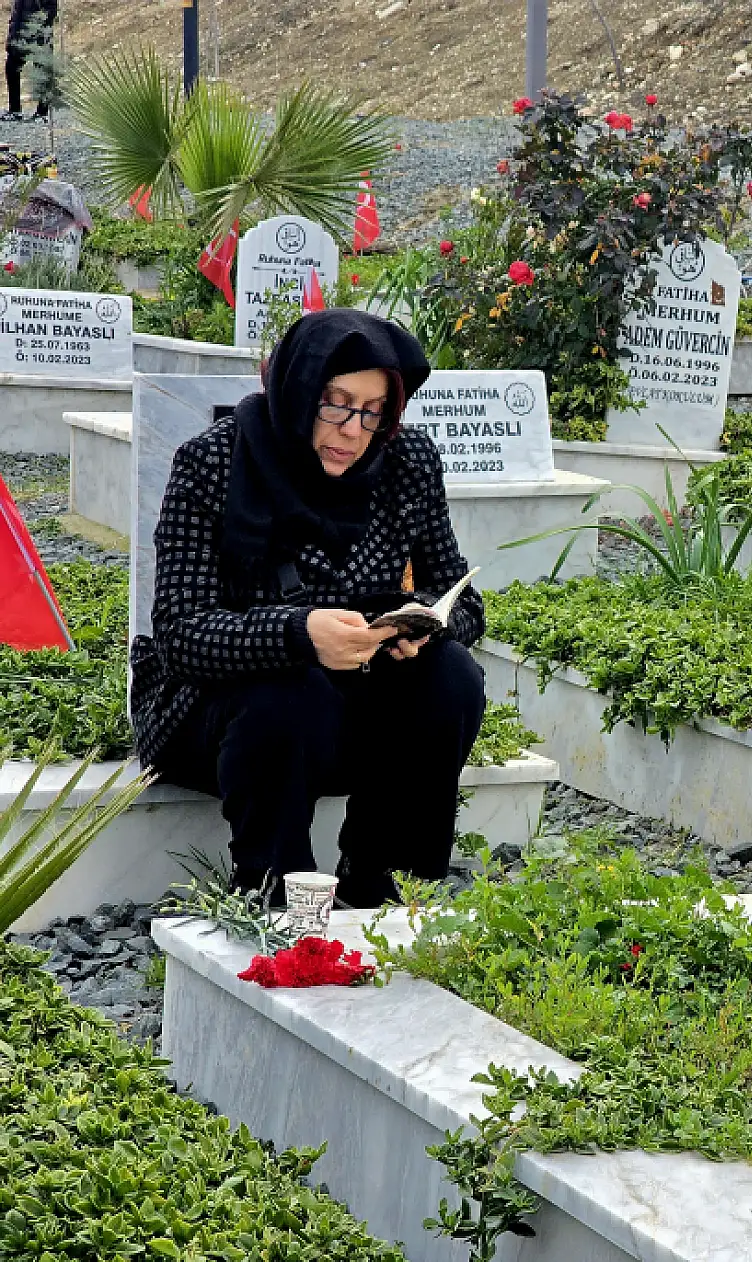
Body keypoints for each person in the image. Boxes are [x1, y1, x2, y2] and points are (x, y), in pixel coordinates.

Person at [129, 309, 488, 907]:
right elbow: (180, 635)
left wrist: (421, 620)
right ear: (298, 389)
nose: (352, 429)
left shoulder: (405, 462)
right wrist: (298, 634)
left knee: (452, 676)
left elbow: (464, 600)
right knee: (292, 693)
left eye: (372, 410)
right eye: (336, 402)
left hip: (350, 712)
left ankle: (371, 872)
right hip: (222, 716)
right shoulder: (213, 463)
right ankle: (272, 887)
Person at [3, 0, 54, 121]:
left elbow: (51, 10)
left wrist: (36, 26)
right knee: (11, 68)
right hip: (19, 37)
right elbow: (16, 14)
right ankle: (15, 110)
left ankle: (42, 113)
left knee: (42, 74)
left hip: (39, 37)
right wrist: (12, 35)